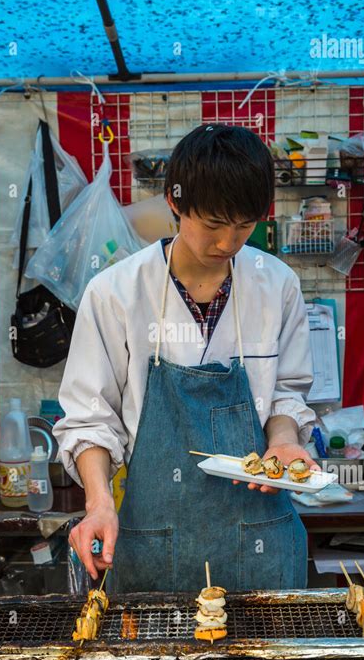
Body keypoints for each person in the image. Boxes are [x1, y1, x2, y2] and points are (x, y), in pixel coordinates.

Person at [53, 123, 317, 593]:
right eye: (213, 225)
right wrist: (98, 503)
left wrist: (283, 442)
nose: (227, 244)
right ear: (175, 203)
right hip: (153, 544)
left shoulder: (278, 286)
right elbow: (89, 420)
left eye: (244, 226)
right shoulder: (116, 293)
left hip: (260, 541)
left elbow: (285, 395)